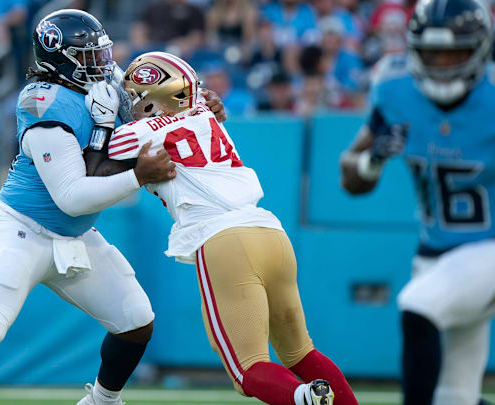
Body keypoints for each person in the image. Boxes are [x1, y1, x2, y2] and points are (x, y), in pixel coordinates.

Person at [0, 10, 226, 405]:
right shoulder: (44, 103)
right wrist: (138, 176)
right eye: (88, 56)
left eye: (101, 53)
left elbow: (158, 115)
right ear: (59, 58)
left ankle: (101, 401)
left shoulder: (107, 81)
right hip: (22, 229)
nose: (101, 63)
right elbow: (71, 195)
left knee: (135, 321)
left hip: (75, 235)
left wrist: (199, 108)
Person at [339, 1, 495, 405]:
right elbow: (350, 176)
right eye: (431, 53)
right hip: (435, 257)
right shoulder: (394, 89)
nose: (441, 64)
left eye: (453, 53)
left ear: (479, 49)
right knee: (454, 399)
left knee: (417, 305)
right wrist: (372, 161)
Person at [87, 51, 360, 405]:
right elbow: (201, 104)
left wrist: (102, 117)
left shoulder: (140, 131)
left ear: (152, 98)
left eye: (135, 98)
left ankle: (305, 399)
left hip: (223, 240)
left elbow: (105, 154)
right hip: (270, 232)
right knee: (301, 353)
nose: (131, 105)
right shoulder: (205, 113)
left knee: (249, 370)